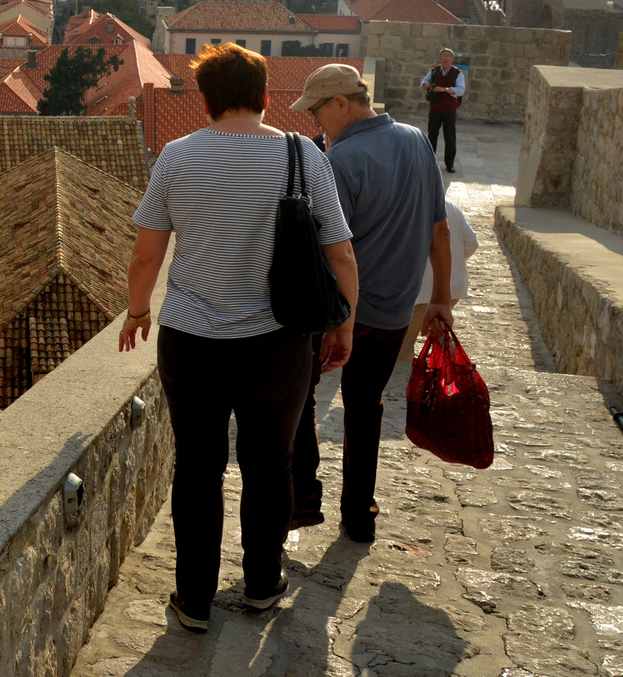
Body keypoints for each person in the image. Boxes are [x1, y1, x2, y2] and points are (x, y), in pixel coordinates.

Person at [122, 44, 359, 633]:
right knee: (268, 463)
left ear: (204, 99)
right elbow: (341, 252)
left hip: (191, 339)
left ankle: (194, 600)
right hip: (276, 342)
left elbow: (146, 253)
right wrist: (344, 322)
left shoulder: (176, 157)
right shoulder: (301, 154)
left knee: (198, 467)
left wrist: (136, 311)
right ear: (265, 98)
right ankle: (260, 585)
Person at [290, 64, 452, 544]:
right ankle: (359, 515)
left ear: (342, 102)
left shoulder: (339, 161)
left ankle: (303, 498)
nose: (317, 125)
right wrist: (440, 298)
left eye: (319, 112)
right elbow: (439, 230)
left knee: (299, 397)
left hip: (342, 311)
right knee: (366, 406)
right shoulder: (418, 141)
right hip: (397, 310)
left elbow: (329, 248)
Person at [403, 200, 478, 361]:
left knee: (404, 346)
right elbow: (472, 242)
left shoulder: (408, 203)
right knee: (438, 332)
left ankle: (409, 382)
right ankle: (447, 373)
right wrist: (452, 264)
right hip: (452, 285)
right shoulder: (451, 206)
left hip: (420, 290)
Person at [420, 48, 466, 173]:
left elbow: (461, 90)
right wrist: (427, 85)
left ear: (452, 59)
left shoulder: (458, 73)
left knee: (450, 136)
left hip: (449, 110)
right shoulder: (434, 71)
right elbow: (423, 82)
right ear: (440, 59)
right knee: (432, 135)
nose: (445, 58)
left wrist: (445, 89)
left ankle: (449, 164)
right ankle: (430, 162)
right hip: (435, 108)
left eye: (448, 56)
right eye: (443, 56)